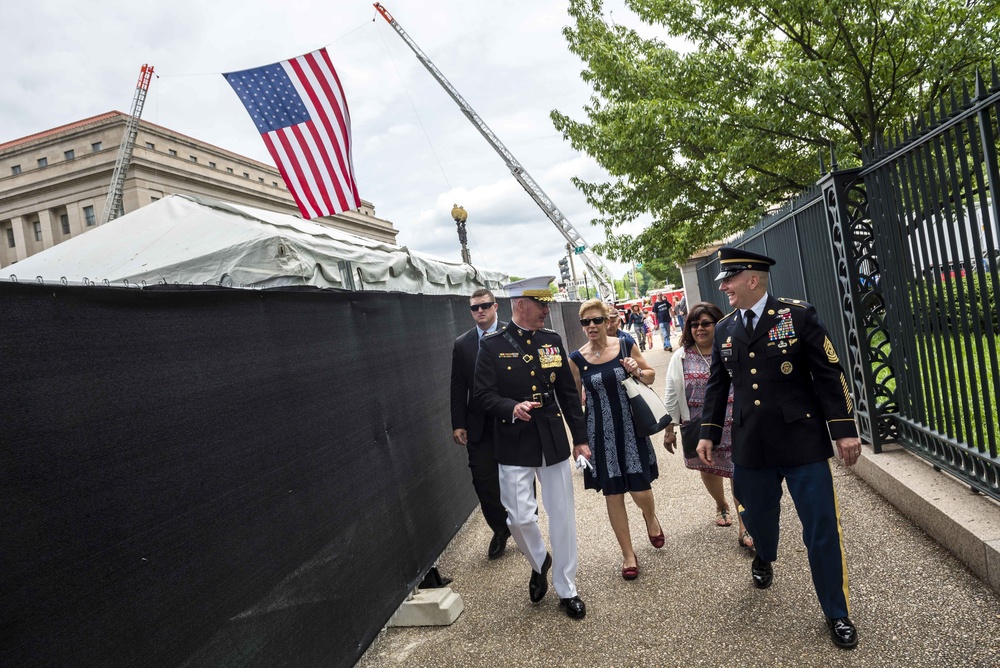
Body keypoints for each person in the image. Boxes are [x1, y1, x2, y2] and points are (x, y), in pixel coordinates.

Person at [696, 247, 862, 650]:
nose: (724, 287)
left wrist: (843, 429)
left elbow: (828, 373)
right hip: (751, 445)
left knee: (821, 527)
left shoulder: (798, 315)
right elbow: (719, 385)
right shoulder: (725, 329)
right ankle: (764, 555)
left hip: (801, 441)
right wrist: (709, 432)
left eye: (730, 279)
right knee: (758, 517)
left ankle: (836, 612)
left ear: (753, 279)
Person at [474, 276, 591, 619]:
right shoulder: (493, 345)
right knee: (520, 517)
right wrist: (510, 407)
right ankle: (540, 561)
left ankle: (566, 588)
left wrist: (580, 439)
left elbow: (569, 394)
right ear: (520, 305)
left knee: (563, 517)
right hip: (514, 440)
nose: (546, 310)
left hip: (551, 437)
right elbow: (482, 395)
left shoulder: (551, 340)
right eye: (540, 304)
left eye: (547, 304)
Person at [569, 299, 663, 581]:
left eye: (597, 320)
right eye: (586, 322)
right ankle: (628, 554)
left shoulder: (624, 345)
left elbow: (650, 376)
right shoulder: (576, 359)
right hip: (599, 433)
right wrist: (579, 441)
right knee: (613, 494)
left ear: (607, 321)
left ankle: (650, 518)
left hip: (630, 428)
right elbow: (574, 403)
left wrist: (636, 369)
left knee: (641, 489)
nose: (592, 326)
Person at [661, 302, 753, 550]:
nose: (699, 328)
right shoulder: (681, 357)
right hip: (699, 424)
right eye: (694, 324)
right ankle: (721, 505)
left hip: (734, 421)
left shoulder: (731, 348)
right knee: (709, 468)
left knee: (737, 470)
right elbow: (671, 392)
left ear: (717, 324)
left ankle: (745, 526)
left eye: (705, 323)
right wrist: (669, 428)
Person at [450, 288, 510, 560]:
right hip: (478, 425)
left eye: (485, 305)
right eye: (475, 308)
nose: (480, 311)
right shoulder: (462, 344)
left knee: (517, 477)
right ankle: (500, 529)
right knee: (483, 481)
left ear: (495, 306)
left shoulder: (512, 335)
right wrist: (458, 423)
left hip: (510, 420)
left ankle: (524, 525)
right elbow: (457, 385)